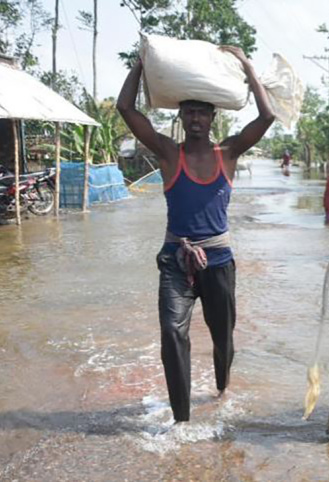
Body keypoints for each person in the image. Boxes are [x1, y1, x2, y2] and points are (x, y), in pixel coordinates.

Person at [116, 46, 274, 423]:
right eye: (190, 112)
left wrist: (248, 67)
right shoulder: (169, 153)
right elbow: (126, 109)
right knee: (172, 333)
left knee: (224, 339)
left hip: (219, 263)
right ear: (182, 116)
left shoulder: (229, 153)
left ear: (213, 116)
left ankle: (221, 388)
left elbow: (267, 116)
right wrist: (141, 64)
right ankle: (182, 422)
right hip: (176, 260)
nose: (196, 118)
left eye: (203, 112)